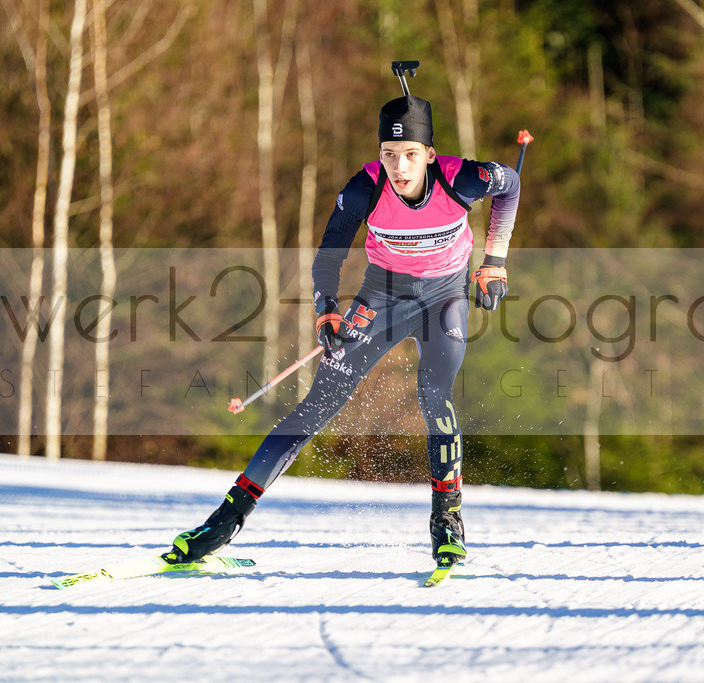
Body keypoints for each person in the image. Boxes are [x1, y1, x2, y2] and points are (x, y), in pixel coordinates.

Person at [164, 93, 520, 568]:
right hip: (382, 298)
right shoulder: (363, 189)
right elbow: (329, 254)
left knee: (435, 393)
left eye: (410, 154)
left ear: (430, 155)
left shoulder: (463, 178)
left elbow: (511, 185)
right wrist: (326, 311)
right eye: (389, 154)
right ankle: (225, 521)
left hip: (445, 298)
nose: (399, 167)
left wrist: (494, 261)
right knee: (319, 403)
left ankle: (447, 521)